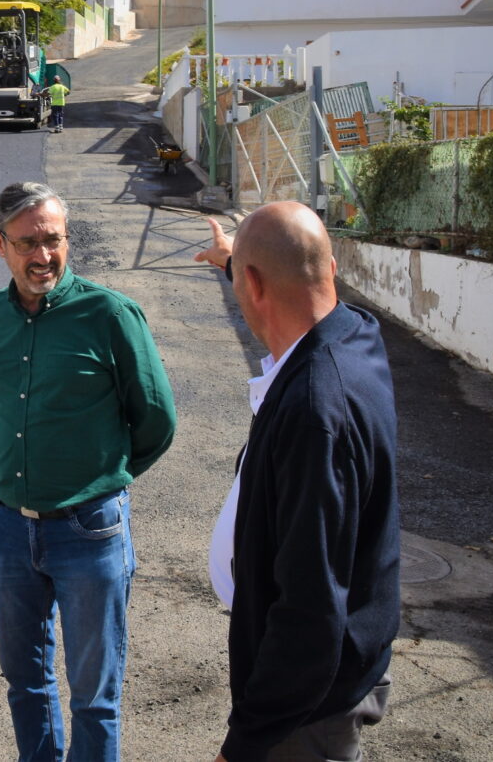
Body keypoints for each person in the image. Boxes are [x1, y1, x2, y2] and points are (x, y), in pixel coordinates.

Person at [0, 183, 177, 761]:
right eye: (28, 242)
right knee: (25, 684)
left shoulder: (109, 314)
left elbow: (156, 419)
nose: (43, 256)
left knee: (94, 697)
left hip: (90, 533)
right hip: (8, 531)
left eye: (53, 240)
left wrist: (100, 479)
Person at [193, 204, 400, 762]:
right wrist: (238, 260)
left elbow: (310, 612)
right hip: (332, 685)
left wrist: (244, 743)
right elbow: (294, 277)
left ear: (253, 285)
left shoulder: (315, 409)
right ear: (331, 267)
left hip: (306, 716)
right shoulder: (354, 333)